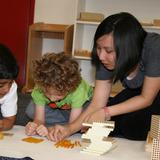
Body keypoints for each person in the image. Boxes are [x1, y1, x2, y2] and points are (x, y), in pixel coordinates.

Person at [47, 12, 160, 142]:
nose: (101, 56)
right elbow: (97, 103)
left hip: (153, 94)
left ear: (128, 48)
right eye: (99, 48)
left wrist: (105, 112)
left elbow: (146, 98)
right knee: (108, 122)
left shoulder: (154, 47)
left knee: (133, 126)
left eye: (109, 51)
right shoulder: (104, 58)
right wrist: (70, 129)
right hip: (138, 92)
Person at [25, 52, 93, 136]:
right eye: (47, 93)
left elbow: (72, 126)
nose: (52, 99)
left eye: (58, 94)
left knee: (90, 116)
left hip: (83, 107)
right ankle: (62, 125)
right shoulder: (41, 87)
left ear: (70, 88)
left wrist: (50, 129)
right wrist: (35, 126)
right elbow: (39, 119)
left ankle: (62, 125)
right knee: (31, 110)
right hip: (61, 110)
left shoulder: (78, 90)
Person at [0, 43, 19, 131]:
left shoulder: (11, 87)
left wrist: (2, 124)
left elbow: (10, 120)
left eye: (10, 83)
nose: (7, 89)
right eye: (1, 85)